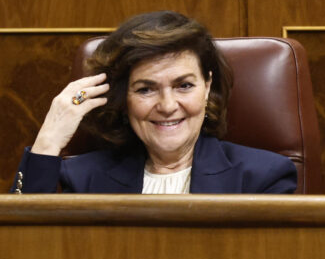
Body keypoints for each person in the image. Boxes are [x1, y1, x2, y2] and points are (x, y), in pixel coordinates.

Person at [11, 11, 297, 194]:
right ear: (123, 98)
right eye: (146, 89)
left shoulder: (262, 177)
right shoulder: (83, 178)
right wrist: (47, 141)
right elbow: (21, 251)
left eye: (184, 85)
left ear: (207, 87)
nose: (167, 105)